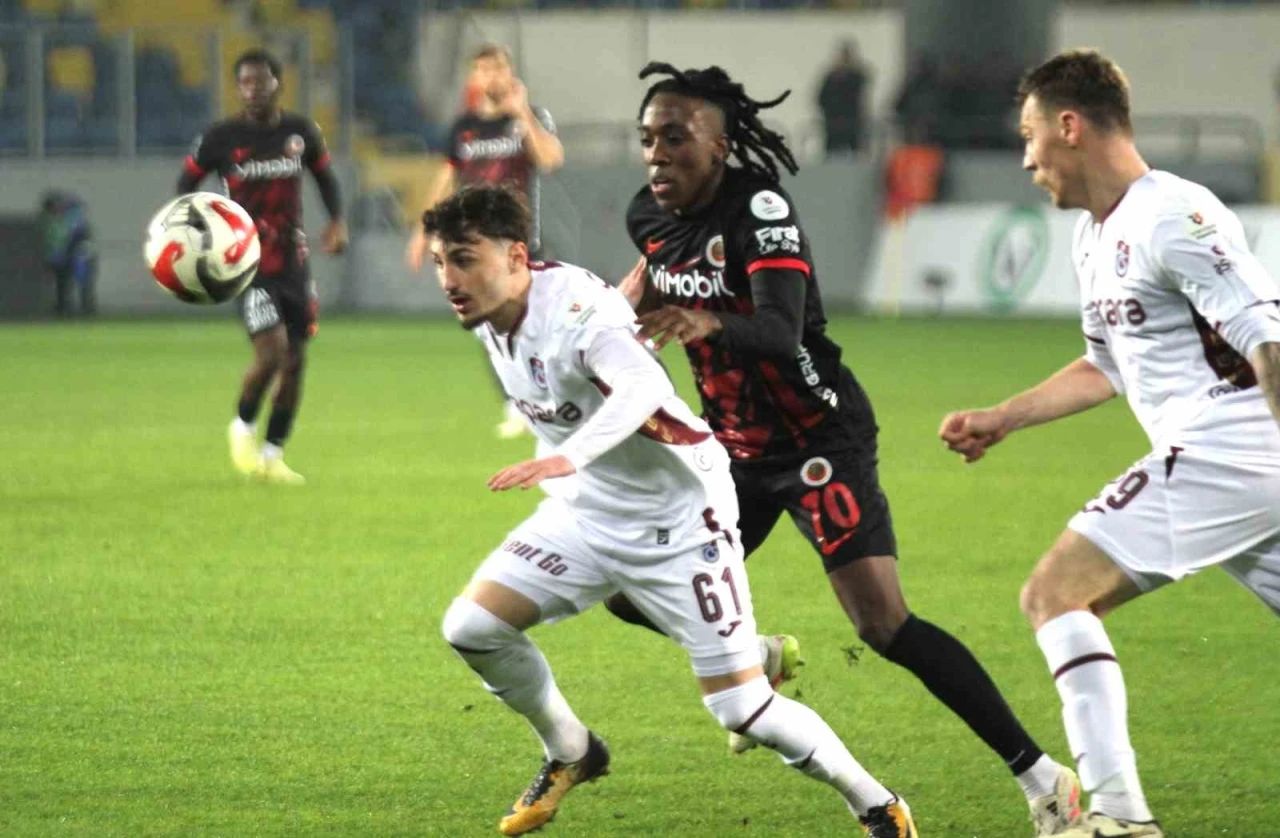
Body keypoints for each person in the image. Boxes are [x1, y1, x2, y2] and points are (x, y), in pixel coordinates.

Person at [614, 62, 1079, 836]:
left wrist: (709, 321)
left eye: (675, 137)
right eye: (647, 140)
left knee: (882, 624)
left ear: (720, 145)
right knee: (628, 588)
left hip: (817, 439)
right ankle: (753, 653)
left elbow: (779, 329)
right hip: (730, 452)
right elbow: (656, 282)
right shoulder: (649, 217)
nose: (657, 154)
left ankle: (1044, 780)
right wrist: (616, 318)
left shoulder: (760, 212)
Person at [430, 185, 917, 838]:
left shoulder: (571, 309)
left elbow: (639, 383)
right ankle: (572, 751)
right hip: (587, 513)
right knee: (472, 627)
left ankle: (878, 805)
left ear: (517, 256)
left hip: (680, 521)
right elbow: (595, 341)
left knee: (742, 709)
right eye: (440, 262)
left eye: (464, 259)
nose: (449, 280)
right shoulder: (500, 311)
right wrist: (620, 313)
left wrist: (570, 455)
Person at [939, 49, 1280, 838]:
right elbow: (1108, 366)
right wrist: (1005, 416)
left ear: (1069, 126)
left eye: (1029, 136)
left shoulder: (1174, 215)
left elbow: (1267, 337)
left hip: (1231, 449)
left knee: (1055, 593)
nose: (1026, 160)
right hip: (1235, 468)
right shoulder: (1095, 237)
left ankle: (1118, 817)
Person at [178, 48, 348, 485]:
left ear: (278, 83)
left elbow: (325, 177)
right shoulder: (220, 138)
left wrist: (336, 221)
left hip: (294, 262)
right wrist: (200, 232)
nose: (253, 90)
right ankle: (242, 425)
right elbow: (186, 185)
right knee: (271, 353)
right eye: (245, 83)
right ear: (238, 88)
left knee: (295, 361)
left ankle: (272, 456)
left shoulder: (301, 132)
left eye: (261, 81)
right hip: (245, 264)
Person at [406, 43, 564, 440]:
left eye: (497, 68)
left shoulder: (529, 118)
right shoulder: (464, 127)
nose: (491, 76)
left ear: (510, 73)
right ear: (474, 77)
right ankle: (519, 402)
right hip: (476, 248)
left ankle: (548, 395)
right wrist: (424, 230)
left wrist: (522, 113)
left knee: (538, 323)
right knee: (490, 326)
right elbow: (447, 177)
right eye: (483, 69)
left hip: (520, 244)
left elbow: (550, 160)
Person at [39, 190, 96, 317]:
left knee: (81, 284)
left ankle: (84, 309)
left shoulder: (73, 219)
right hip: (63, 257)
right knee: (63, 284)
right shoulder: (53, 221)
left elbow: (81, 238)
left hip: (78, 257)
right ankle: (65, 308)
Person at [817, 39, 869, 156]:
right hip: (833, 124)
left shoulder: (856, 77)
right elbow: (821, 99)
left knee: (854, 154)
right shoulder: (831, 78)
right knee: (832, 155)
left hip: (852, 124)